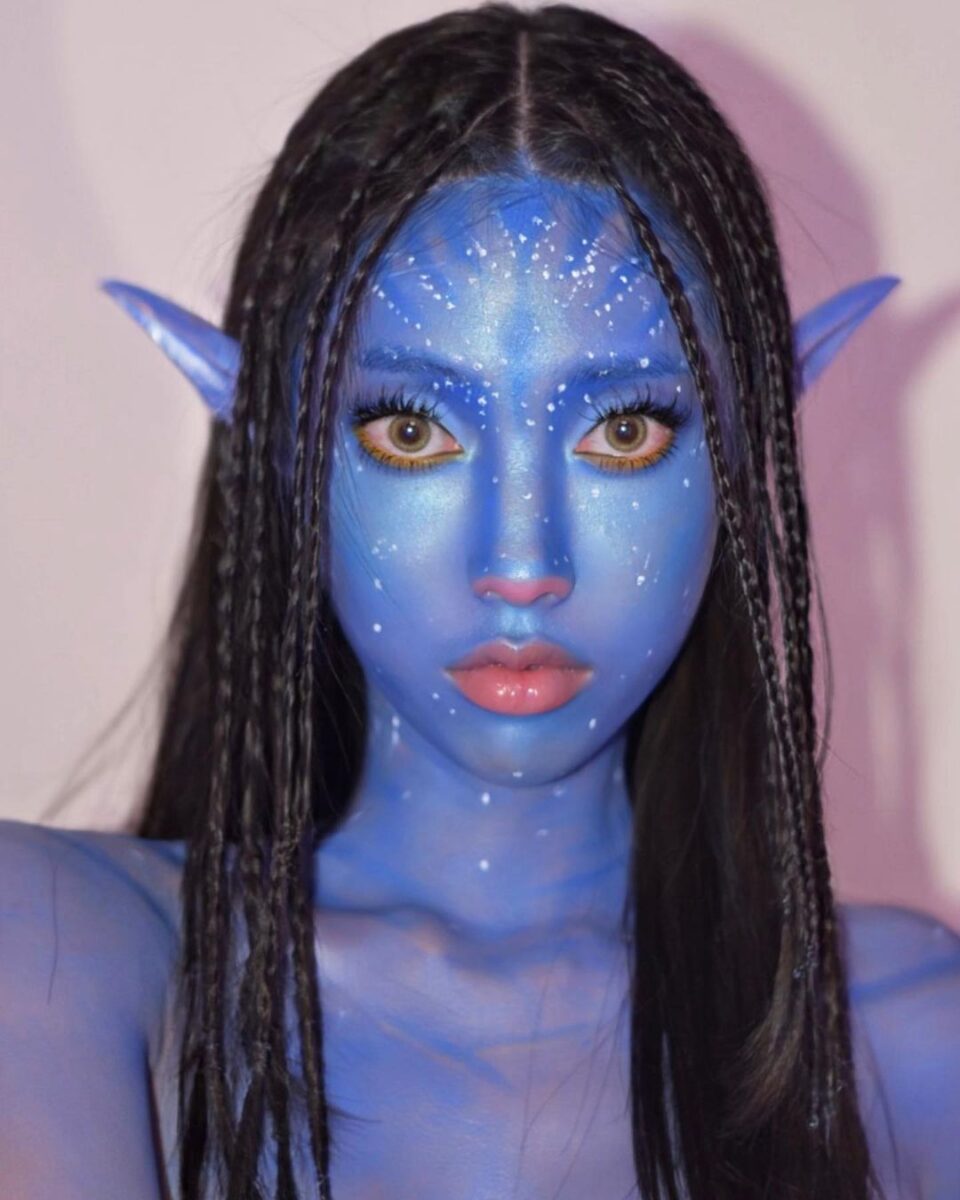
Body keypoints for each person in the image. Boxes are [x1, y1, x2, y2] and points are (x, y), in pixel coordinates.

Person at [2, 4, 958, 1198]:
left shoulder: (908, 1036)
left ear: (745, 440)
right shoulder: (61, 951)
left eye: (624, 430)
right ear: (279, 444)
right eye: (410, 431)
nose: (519, 561)